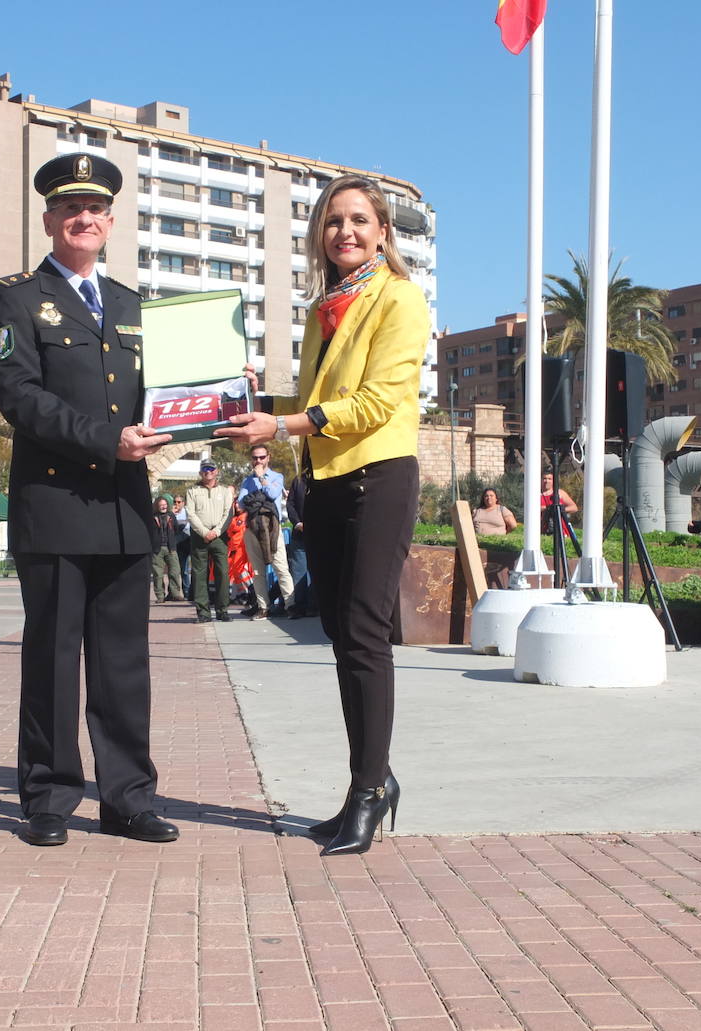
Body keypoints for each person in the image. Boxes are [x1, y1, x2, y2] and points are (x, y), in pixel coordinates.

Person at [217, 174, 429, 856]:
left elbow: (374, 400)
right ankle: (370, 777)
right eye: (333, 220)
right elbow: (312, 399)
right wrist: (244, 403)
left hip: (379, 478)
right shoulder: (321, 310)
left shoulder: (400, 299)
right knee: (340, 630)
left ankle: (367, 790)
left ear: (383, 231)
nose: (346, 230)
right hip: (326, 482)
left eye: (359, 219)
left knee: (365, 631)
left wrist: (281, 426)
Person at [0, 152, 178, 848]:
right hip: (57, 505)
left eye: (94, 209)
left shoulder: (131, 305)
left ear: (111, 220)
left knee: (125, 664)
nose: (83, 219)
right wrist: (107, 440)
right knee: (54, 660)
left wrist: (217, 391)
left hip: (126, 509)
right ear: (49, 219)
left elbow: (163, 393)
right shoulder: (14, 298)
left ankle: (128, 798)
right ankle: (49, 795)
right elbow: (22, 399)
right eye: (71, 209)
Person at [237, 446, 295, 618]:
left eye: (262, 457)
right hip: (253, 527)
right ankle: (263, 607)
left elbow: (272, 492)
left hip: (272, 527)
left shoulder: (277, 477)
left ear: (268, 457)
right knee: (257, 571)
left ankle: (290, 604)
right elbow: (241, 504)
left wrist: (261, 478)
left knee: (281, 567)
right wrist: (255, 496)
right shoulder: (247, 481)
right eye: (255, 458)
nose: (258, 461)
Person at [186, 458, 234, 624]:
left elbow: (229, 513)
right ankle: (203, 612)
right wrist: (204, 532)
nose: (208, 471)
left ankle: (222, 610)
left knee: (223, 573)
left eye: (211, 469)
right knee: (199, 575)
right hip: (200, 536)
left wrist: (217, 531)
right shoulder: (192, 491)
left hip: (219, 536)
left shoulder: (224, 491)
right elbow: (190, 514)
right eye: (205, 469)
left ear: (216, 471)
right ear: (200, 472)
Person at [285, 473, 313, 618]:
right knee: (299, 571)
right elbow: (290, 504)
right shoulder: (298, 480)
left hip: (320, 534)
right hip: (300, 534)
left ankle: (315, 606)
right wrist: (297, 523)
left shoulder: (324, 478)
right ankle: (300, 606)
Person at [150, 496, 185, 602]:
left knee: (175, 571)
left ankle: (175, 594)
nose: (163, 507)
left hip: (171, 548)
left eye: (165, 504)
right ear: (157, 506)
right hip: (157, 549)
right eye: (161, 505)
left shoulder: (171, 515)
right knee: (158, 574)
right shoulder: (152, 516)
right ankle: (160, 596)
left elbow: (176, 529)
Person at [540, 473, 578, 537]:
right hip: (542, 529)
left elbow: (574, 508)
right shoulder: (536, 494)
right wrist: (547, 508)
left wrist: (559, 509)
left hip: (560, 529)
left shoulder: (560, 493)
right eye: (544, 478)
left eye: (549, 479)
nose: (546, 481)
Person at [172, 494, 192, 596]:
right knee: (182, 569)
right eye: (175, 502)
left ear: (183, 503)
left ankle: (191, 591)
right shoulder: (172, 514)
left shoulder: (187, 512)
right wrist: (172, 514)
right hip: (178, 544)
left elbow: (190, 526)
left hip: (189, 541)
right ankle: (184, 591)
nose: (176, 504)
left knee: (192, 569)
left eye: (179, 502)